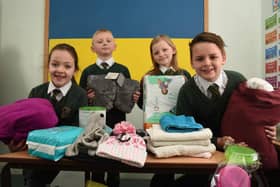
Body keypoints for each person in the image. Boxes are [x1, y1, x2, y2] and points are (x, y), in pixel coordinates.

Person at [174, 31, 277, 187]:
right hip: (205, 160)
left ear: (223, 58)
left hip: (241, 160)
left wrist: (268, 128)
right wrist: (218, 141)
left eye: (213, 57)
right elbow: (185, 133)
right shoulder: (186, 92)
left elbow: (254, 114)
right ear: (192, 62)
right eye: (200, 59)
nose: (207, 63)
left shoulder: (238, 81)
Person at [7, 43, 88, 187]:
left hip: (64, 157)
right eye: (55, 64)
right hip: (35, 154)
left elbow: (79, 130)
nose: (60, 70)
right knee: (30, 179)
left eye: (67, 66)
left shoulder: (80, 95)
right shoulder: (36, 92)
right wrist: (17, 142)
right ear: (48, 65)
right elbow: (27, 125)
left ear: (75, 69)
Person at [79, 29, 140, 187]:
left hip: (117, 122)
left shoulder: (123, 70)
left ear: (115, 45)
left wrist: (133, 97)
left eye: (108, 41)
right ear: (93, 48)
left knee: (115, 161)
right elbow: (80, 98)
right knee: (96, 160)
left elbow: (127, 94)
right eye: (99, 41)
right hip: (95, 124)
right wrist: (88, 98)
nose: (104, 43)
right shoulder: (87, 71)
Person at [137, 34, 191, 187]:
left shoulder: (184, 74)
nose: (161, 54)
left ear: (173, 50)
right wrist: (138, 99)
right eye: (156, 52)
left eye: (164, 49)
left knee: (175, 161)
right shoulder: (148, 76)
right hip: (155, 125)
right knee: (160, 164)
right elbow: (143, 105)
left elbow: (189, 103)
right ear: (152, 56)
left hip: (177, 124)